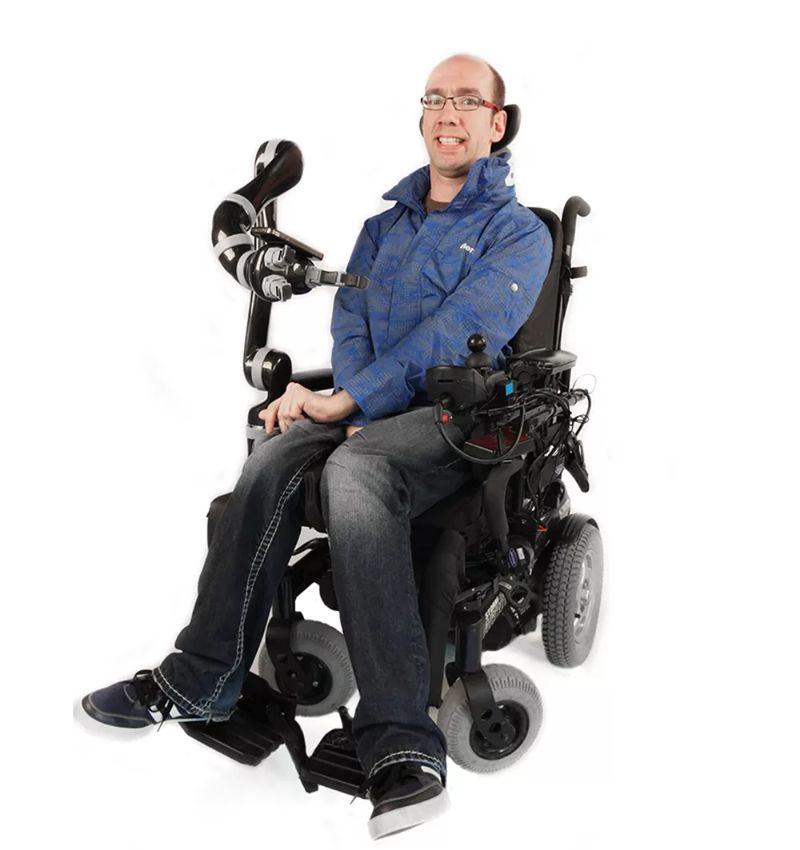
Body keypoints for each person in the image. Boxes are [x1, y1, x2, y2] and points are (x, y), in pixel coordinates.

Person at [80, 53, 553, 840]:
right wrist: (338, 400)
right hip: (368, 407)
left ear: (496, 124)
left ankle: (402, 745)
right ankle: (200, 680)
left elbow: (458, 333)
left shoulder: (519, 234)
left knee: (355, 470)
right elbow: (352, 328)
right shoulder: (381, 229)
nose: (448, 112)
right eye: (435, 98)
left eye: (468, 101)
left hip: (460, 419)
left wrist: (355, 404)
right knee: (271, 455)